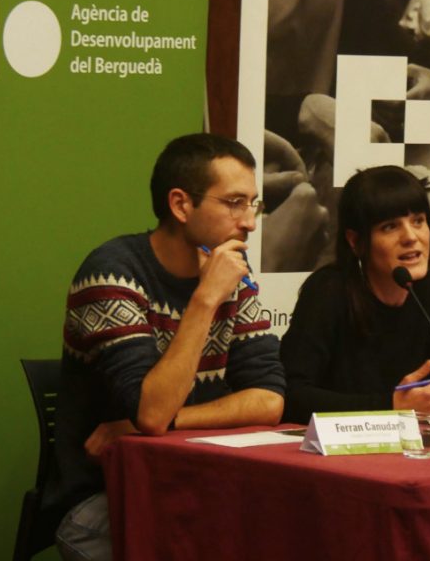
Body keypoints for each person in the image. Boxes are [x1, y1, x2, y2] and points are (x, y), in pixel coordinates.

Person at [46, 134, 286, 561]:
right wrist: (205, 299)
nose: (250, 222)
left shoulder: (232, 273)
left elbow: (268, 400)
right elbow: (153, 412)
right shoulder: (112, 272)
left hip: (196, 487)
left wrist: (154, 424)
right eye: (234, 203)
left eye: (253, 204)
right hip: (105, 498)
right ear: (180, 205)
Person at [280, 165, 430, 423]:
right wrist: (391, 406)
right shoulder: (328, 291)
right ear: (355, 241)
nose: (411, 237)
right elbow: (292, 396)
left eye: (418, 221)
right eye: (390, 227)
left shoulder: (429, 288)